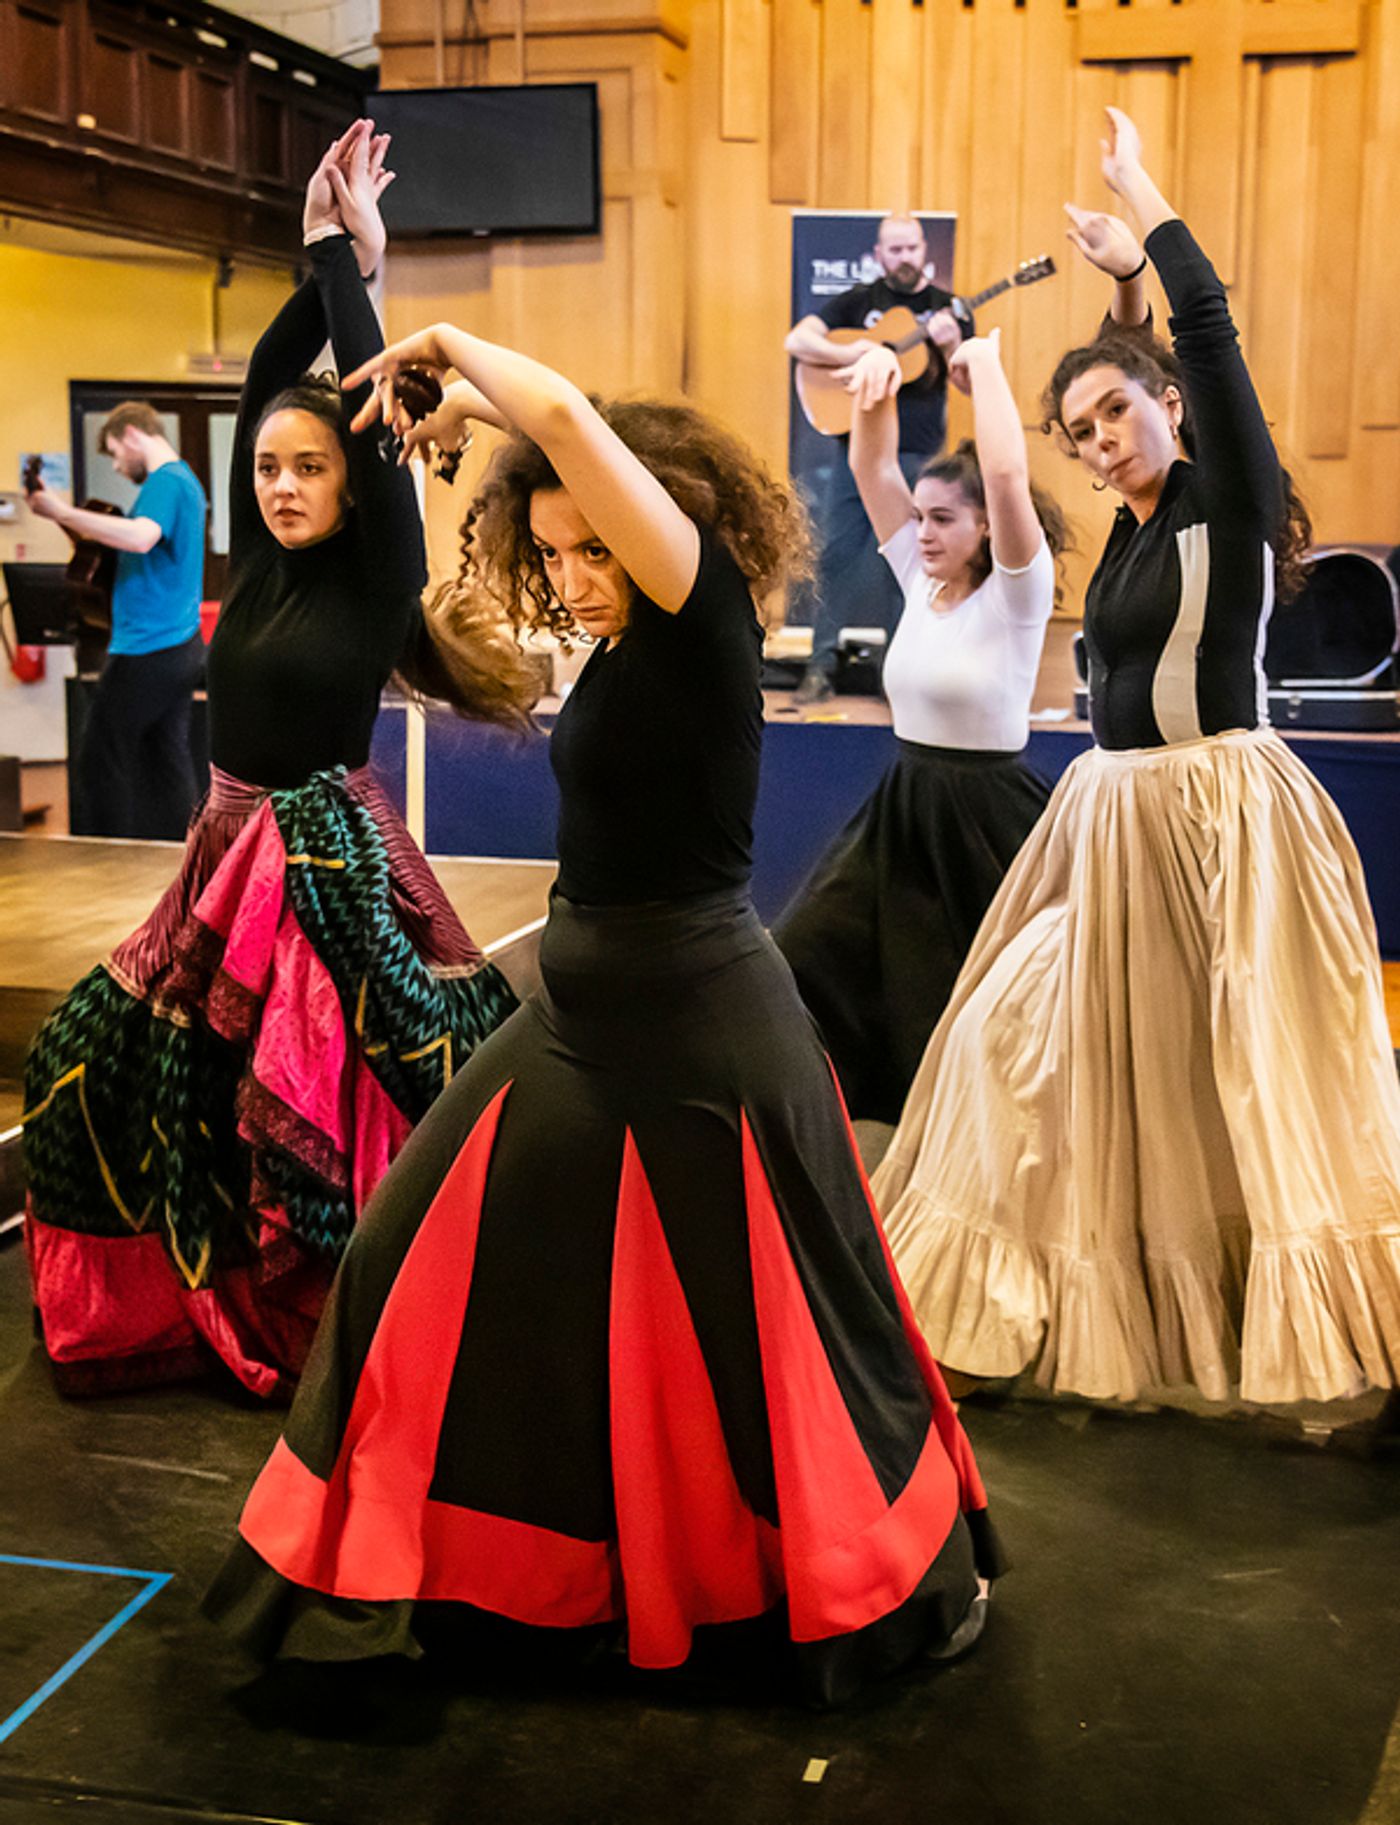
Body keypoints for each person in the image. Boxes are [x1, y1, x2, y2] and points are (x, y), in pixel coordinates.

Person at [203, 312, 1005, 1710]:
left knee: (776, 1339)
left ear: (663, 532)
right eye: (556, 550)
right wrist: (430, 399)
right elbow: (538, 464)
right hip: (576, 1013)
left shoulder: (701, 619)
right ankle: (459, 1570)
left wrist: (451, 341)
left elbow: (571, 422)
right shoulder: (616, 638)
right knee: (408, 1252)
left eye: (596, 549)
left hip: (698, 1024)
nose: (574, 576)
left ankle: (869, 1573)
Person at [871, 109, 1400, 1409]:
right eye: (1081, 431)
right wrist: (1116, 298)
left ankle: (1249, 1309)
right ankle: (1095, 1293)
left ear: (1170, 409)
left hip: (1221, 811)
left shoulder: (1232, 494)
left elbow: (1203, 343)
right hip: (1111, 826)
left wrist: (1142, 208)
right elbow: (1153, 370)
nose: (1103, 441)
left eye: (1119, 413)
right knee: (1050, 1052)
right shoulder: (1130, 530)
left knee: (1244, 1080)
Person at [22, 122, 533, 1400]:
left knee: (313, 1112)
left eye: (312, 466)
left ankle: (343, 1313)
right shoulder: (255, 562)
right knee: (96, 1060)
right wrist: (318, 261)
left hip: (324, 878)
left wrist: (341, 257)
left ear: (358, 482)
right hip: (220, 858)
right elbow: (271, 376)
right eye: (267, 467)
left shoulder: (376, 572)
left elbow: (357, 392)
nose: (286, 483)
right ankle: (181, 1299)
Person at [774, 328, 1065, 1125]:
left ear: (986, 530)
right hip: (906, 809)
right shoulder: (918, 579)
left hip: (987, 819)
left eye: (944, 520)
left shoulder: (1017, 597)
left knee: (986, 1003)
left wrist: (987, 367)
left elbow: (1005, 472)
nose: (924, 532)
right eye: (921, 518)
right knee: (803, 953)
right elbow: (872, 467)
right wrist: (881, 388)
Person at [786, 214, 971, 704]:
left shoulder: (945, 307)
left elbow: (968, 381)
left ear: (924, 251)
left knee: (910, 564)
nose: (904, 257)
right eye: (895, 250)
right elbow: (797, 340)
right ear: (878, 254)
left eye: (911, 248)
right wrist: (864, 355)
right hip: (860, 457)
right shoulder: (859, 302)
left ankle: (898, 676)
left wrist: (952, 343)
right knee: (835, 555)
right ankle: (820, 667)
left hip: (918, 457)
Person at [27, 403, 207, 839]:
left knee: (99, 759)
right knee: (165, 757)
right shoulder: (185, 483)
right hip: (179, 646)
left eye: (113, 453)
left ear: (131, 434)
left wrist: (61, 512)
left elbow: (142, 537)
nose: (117, 466)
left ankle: (107, 859)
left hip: (149, 646)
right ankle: (180, 853)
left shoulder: (167, 481)